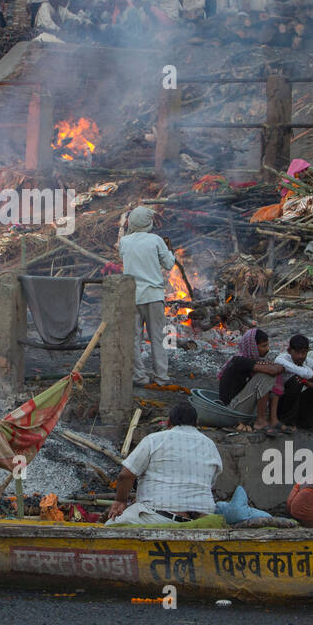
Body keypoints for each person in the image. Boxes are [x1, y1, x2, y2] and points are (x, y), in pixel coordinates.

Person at [105, 402, 222, 525]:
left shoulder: (154, 440)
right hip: (201, 521)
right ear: (196, 423)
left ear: (168, 422)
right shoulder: (210, 445)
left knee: (110, 526)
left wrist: (120, 501)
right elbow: (210, 483)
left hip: (159, 517)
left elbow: (125, 475)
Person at [117, 206, 175, 388]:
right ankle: (162, 377)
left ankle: (139, 376)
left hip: (132, 296)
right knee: (158, 337)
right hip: (154, 296)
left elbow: (124, 256)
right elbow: (169, 264)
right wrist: (169, 250)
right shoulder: (156, 240)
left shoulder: (125, 242)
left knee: (134, 338)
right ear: (148, 222)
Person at [218, 327, 288, 434]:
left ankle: (272, 419)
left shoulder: (252, 361)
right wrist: (276, 367)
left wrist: (277, 367)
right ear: (253, 347)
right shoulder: (240, 360)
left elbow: (276, 368)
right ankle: (261, 421)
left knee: (271, 373)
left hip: (239, 404)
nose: (267, 349)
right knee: (267, 375)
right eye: (263, 346)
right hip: (231, 410)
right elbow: (272, 371)